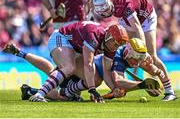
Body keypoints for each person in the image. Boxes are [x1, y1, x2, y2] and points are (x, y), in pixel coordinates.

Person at [3, 38, 162, 102]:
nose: (137, 62)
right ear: (129, 53)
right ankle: (31, 91)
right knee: (62, 95)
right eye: (136, 58)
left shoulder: (124, 53)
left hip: (84, 73)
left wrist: (155, 78)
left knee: (53, 71)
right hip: (83, 74)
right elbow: (118, 82)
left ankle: (20, 53)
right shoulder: (119, 58)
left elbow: (116, 88)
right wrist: (142, 85)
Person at [92, 0, 177, 101]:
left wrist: (144, 52)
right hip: (128, 17)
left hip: (146, 17)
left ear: (110, 1)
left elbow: (138, 28)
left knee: (151, 56)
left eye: (107, 10)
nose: (106, 14)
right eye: (103, 13)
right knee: (117, 46)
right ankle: (118, 82)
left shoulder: (125, 5)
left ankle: (169, 91)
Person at [24, 21, 128, 103]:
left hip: (76, 50)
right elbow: (88, 63)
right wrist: (92, 90)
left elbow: (106, 71)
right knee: (69, 67)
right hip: (61, 38)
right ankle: (39, 94)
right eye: (116, 44)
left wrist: (114, 89)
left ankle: (67, 92)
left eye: (119, 45)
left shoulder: (110, 45)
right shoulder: (95, 35)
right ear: (109, 37)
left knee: (96, 80)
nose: (116, 47)